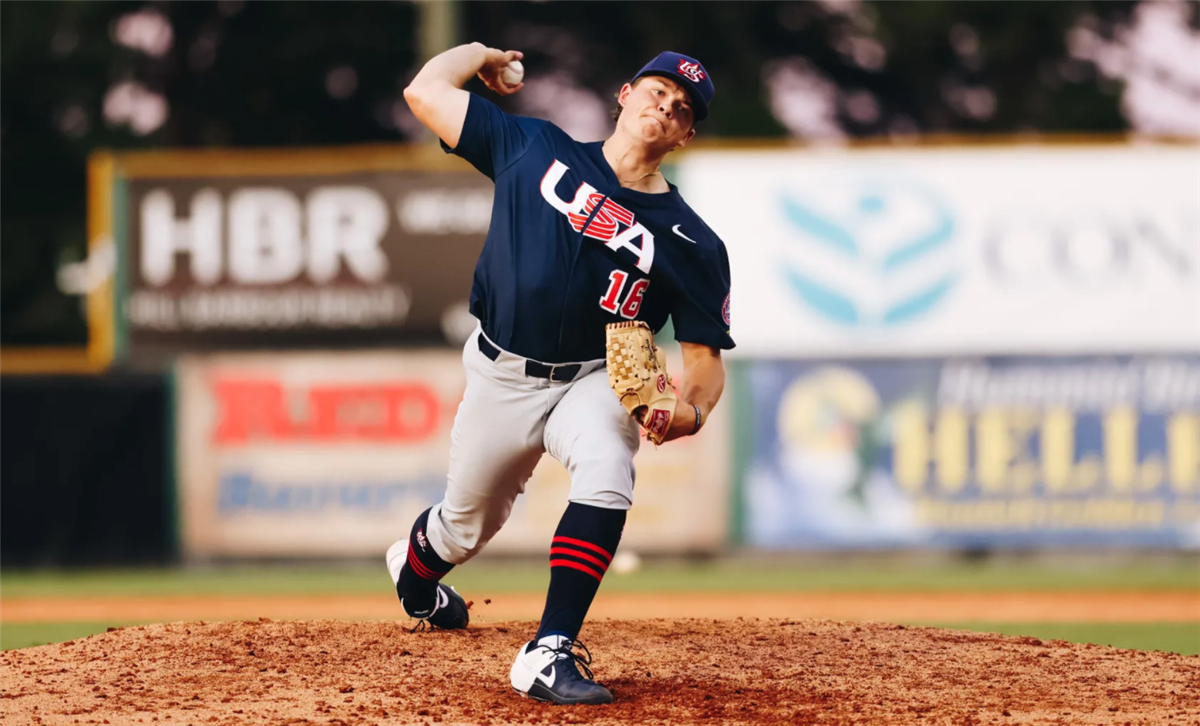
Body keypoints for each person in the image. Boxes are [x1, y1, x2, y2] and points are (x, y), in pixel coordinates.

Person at [385, 42, 734, 705]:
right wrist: (480, 55)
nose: (667, 105)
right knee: (463, 528)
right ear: (625, 94)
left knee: (608, 466)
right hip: (502, 374)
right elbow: (424, 92)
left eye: (683, 108)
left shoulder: (693, 243)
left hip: (598, 375)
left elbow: (704, 366)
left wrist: (691, 413)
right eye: (658, 90)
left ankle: (548, 652)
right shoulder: (534, 146)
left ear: (685, 134)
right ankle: (416, 571)